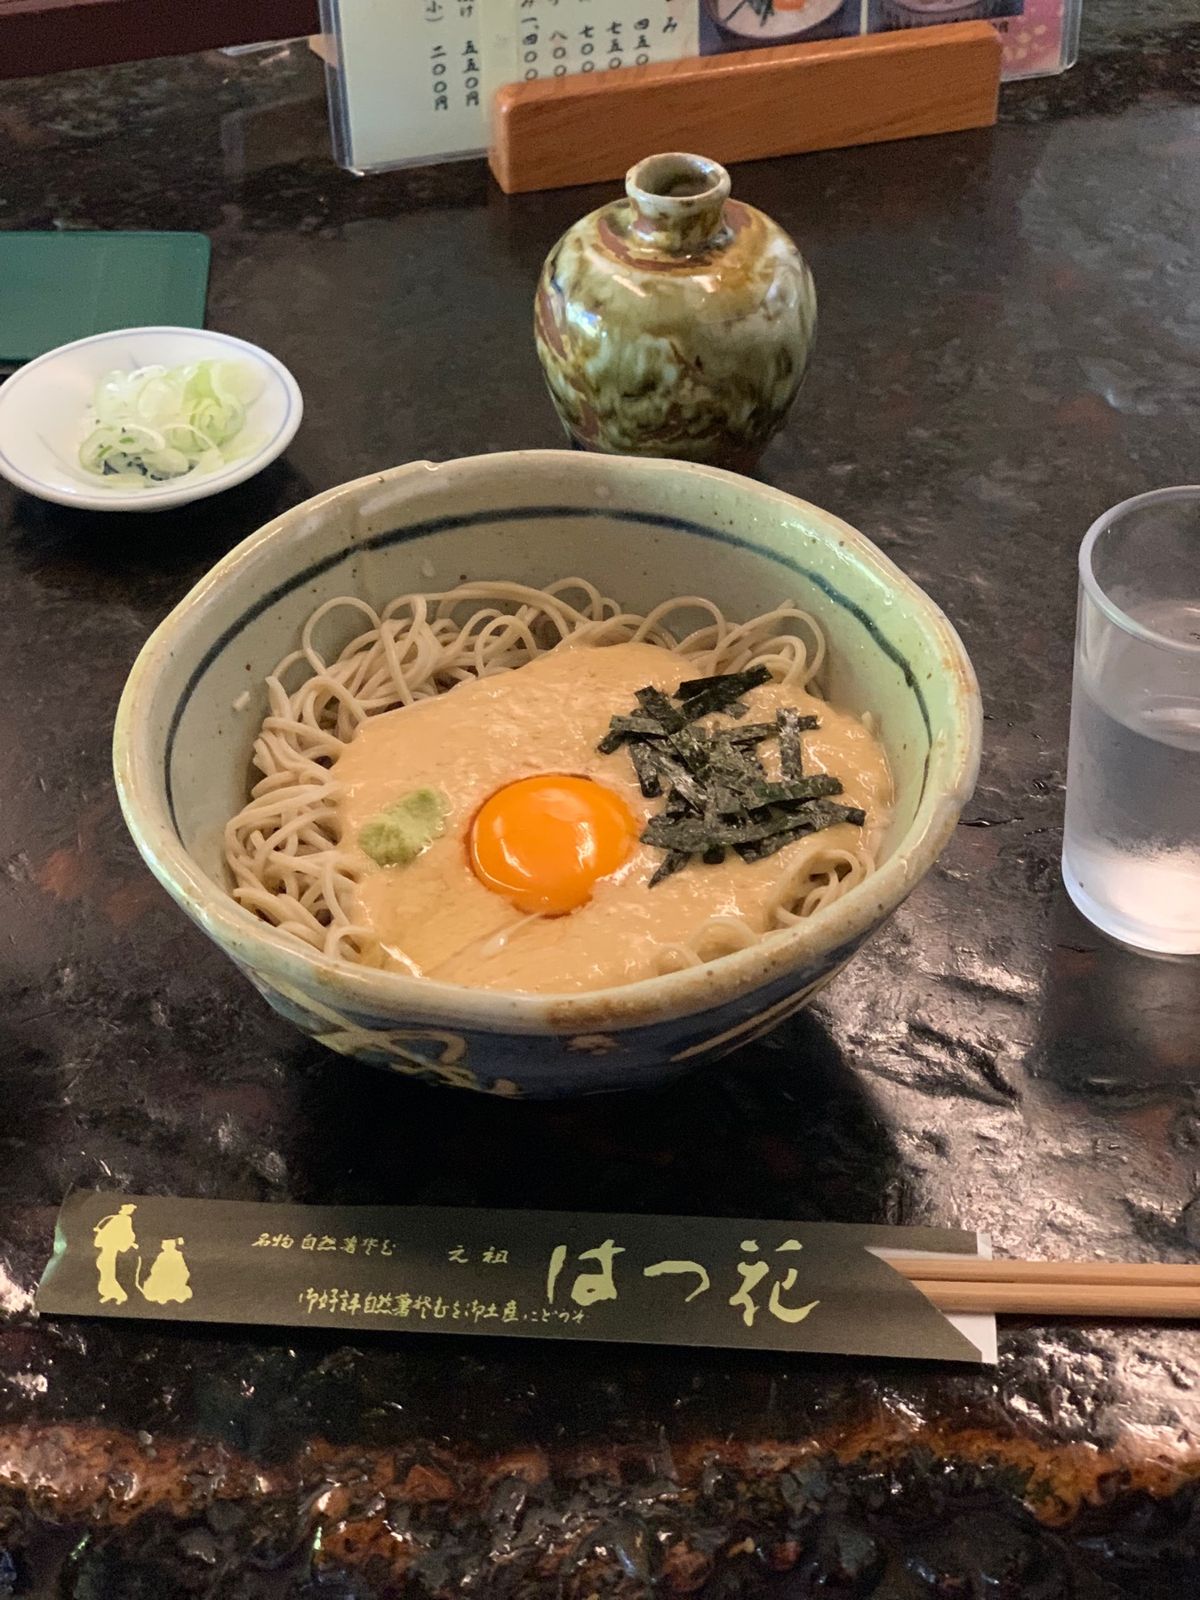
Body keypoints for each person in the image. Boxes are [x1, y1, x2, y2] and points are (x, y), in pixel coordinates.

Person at [92, 1204, 138, 1304]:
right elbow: (108, 1230)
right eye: (128, 1209)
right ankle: (108, 1292)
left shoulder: (126, 1220)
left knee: (107, 1269)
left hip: (112, 1247)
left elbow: (128, 1233)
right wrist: (100, 1233)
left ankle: (119, 1295)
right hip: (107, 1245)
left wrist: (129, 1241)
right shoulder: (116, 1218)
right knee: (102, 1266)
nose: (129, 1212)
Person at [139, 1238, 192, 1305]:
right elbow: (155, 1268)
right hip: (164, 1279)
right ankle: (165, 1295)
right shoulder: (162, 1256)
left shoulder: (176, 1255)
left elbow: (183, 1268)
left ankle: (169, 1294)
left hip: (173, 1280)